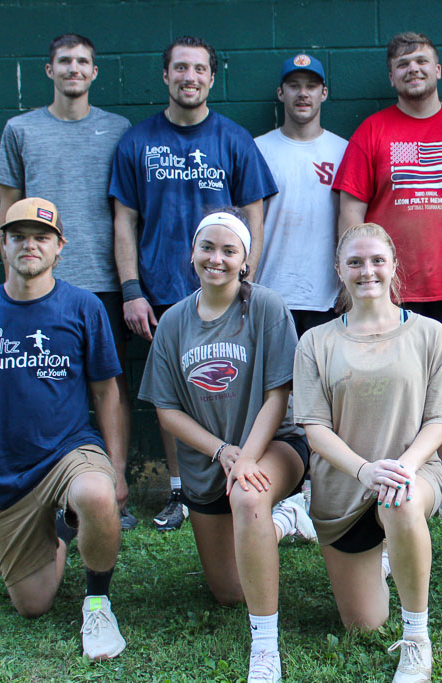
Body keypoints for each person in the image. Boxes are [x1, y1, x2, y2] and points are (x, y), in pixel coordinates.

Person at [0, 197, 127, 661]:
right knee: (33, 605)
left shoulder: (83, 307)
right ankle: (64, 530)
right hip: (9, 473)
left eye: (41, 237)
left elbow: (106, 393)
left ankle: (98, 603)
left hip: (70, 451)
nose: (30, 246)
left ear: (59, 247)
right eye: (18, 236)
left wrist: (117, 468)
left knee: (96, 495)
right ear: (2, 244)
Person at [110, 35, 278, 530]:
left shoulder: (233, 139)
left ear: (211, 77)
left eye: (199, 69)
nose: (190, 77)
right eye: (180, 68)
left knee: (225, 384)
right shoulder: (137, 141)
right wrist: (131, 289)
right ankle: (181, 491)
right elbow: (124, 220)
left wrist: (247, 278)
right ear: (166, 76)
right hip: (163, 291)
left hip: (225, 288)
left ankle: (238, 474)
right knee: (176, 393)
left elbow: (254, 215)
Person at [138, 209, 310, 683]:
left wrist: (246, 457)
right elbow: (167, 410)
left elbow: (280, 393)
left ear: (245, 261)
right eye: (207, 248)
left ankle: (265, 647)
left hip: (274, 444)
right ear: (192, 254)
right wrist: (222, 452)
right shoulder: (173, 321)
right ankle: (283, 521)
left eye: (228, 250)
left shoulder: (267, 307)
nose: (216, 258)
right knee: (229, 592)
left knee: (248, 494)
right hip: (210, 461)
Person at [293, 223, 442, 682]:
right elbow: (314, 428)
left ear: (393, 267)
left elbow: (440, 421)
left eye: (376, 261)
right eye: (355, 262)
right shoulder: (315, 341)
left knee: (401, 500)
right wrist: (365, 470)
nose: (366, 270)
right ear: (339, 270)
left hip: (413, 473)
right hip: (343, 489)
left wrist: (403, 468)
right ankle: (384, 553)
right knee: (363, 623)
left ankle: (416, 640)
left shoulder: (430, 334)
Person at [0, 33, 135, 529]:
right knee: (40, 386)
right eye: (65, 61)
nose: (74, 69)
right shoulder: (20, 130)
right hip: (37, 284)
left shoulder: (118, 130)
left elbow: (127, 213)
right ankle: (46, 497)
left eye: (83, 62)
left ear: (94, 73)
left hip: (102, 282)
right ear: (49, 70)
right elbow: (6, 211)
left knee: (109, 386)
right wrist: (13, 279)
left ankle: (115, 489)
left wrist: (128, 280)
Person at [333, 32, 442, 518]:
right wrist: (350, 282)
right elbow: (351, 212)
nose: (413, 69)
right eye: (403, 64)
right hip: (385, 291)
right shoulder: (372, 131)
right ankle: (383, 477)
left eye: (422, 62)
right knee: (387, 387)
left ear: (438, 71)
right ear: (392, 77)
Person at [255, 53, 347, 337]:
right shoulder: (257, 149)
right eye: (294, 85)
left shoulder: (344, 150)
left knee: (323, 381)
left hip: (328, 298)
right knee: (276, 383)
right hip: (269, 295)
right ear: (281, 93)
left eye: (311, 86)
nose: (303, 93)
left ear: (324, 93)